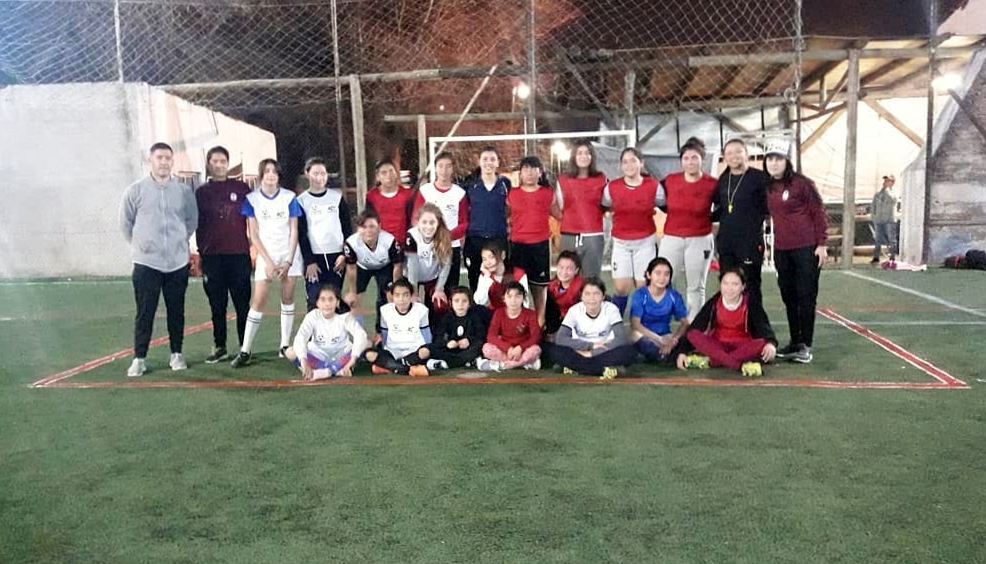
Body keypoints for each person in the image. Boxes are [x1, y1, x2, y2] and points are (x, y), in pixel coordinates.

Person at [119, 142, 198, 377]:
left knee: (177, 311)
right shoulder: (135, 191)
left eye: (167, 158)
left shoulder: (184, 192)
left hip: (177, 263)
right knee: (145, 312)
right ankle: (139, 358)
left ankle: (177, 354)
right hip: (147, 264)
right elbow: (126, 224)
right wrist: (143, 246)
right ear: (150, 161)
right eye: (159, 158)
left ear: (172, 162)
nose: (164, 162)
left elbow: (191, 221)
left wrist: (178, 242)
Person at [231, 159, 304, 368]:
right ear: (261, 174)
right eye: (267, 171)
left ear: (279, 176)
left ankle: (284, 345)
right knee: (258, 301)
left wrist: (288, 260)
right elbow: (253, 235)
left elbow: (294, 231)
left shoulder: (289, 197)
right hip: (266, 257)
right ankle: (245, 350)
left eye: (274, 171)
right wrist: (269, 262)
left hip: (289, 255)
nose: (271, 175)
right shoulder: (252, 199)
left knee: (288, 298)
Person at [764, 142, 828, 364]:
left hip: (806, 248)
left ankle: (806, 345)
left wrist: (822, 243)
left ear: (787, 161)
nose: (774, 163)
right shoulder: (768, 187)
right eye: (770, 158)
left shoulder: (802, 184)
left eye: (778, 159)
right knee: (788, 296)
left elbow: (818, 212)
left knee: (805, 296)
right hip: (782, 250)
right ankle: (795, 342)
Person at [194, 145, 253, 364]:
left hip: (238, 255)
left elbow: (255, 219)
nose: (219, 165)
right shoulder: (201, 192)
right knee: (217, 305)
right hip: (212, 257)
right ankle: (220, 346)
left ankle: (245, 348)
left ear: (228, 164)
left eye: (223, 161)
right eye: (215, 161)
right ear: (208, 164)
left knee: (242, 305)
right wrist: (200, 253)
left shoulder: (242, 188)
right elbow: (197, 223)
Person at [676, 267, 777, 377]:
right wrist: (682, 352)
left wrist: (771, 344)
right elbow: (695, 327)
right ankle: (738, 365)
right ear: (720, 285)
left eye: (735, 284)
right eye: (725, 283)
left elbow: (764, 327)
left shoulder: (751, 303)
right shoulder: (714, 302)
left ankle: (713, 361)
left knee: (761, 343)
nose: (730, 288)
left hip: (742, 346)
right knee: (693, 335)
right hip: (718, 345)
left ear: (743, 287)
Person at [658, 137, 718, 320]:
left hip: (700, 239)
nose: (690, 162)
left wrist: (709, 219)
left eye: (694, 158)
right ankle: (662, 321)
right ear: (681, 161)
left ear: (702, 159)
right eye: (686, 158)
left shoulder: (712, 184)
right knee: (663, 281)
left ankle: (694, 327)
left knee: (696, 286)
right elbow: (660, 201)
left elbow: (723, 206)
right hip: (672, 238)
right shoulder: (670, 181)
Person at [602, 147, 666, 317]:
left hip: (645, 242)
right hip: (621, 243)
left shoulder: (653, 185)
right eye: (625, 162)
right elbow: (605, 205)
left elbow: (663, 204)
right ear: (620, 165)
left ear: (641, 163)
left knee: (644, 287)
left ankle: (643, 324)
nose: (629, 165)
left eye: (633, 160)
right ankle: (616, 323)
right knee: (621, 287)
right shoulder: (612, 187)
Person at [712, 138, 771, 303]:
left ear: (747, 154)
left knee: (751, 285)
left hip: (750, 243)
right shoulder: (723, 180)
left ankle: (754, 319)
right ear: (724, 157)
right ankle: (731, 318)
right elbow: (720, 209)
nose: (734, 156)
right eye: (729, 153)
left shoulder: (760, 178)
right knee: (728, 285)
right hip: (726, 243)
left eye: (738, 151)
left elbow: (769, 207)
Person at [507, 155, 560, 326]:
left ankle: (540, 326)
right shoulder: (512, 194)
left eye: (533, 169)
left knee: (540, 289)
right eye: (526, 169)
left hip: (540, 247)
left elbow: (559, 215)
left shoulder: (547, 193)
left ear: (540, 172)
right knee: (517, 290)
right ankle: (519, 327)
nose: (529, 173)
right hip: (518, 247)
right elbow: (504, 216)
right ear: (520, 173)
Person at [549, 278, 637, 379]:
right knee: (554, 350)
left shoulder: (611, 309)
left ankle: (575, 367)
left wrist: (591, 353)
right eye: (587, 294)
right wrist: (590, 346)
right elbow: (561, 339)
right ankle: (603, 369)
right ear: (581, 296)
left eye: (596, 294)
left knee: (629, 351)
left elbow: (621, 339)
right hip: (580, 349)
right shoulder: (574, 311)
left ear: (603, 296)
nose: (592, 298)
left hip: (603, 351)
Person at [297, 157, 353, 311]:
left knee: (334, 300)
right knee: (315, 300)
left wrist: (344, 254)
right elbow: (301, 234)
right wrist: (309, 261)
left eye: (323, 173)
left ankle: (339, 327)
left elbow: (347, 228)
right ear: (307, 174)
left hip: (337, 258)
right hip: (315, 259)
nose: (320, 177)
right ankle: (313, 328)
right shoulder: (301, 201)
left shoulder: (337, 197)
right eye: (315, 173)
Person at [342, 209, 405, 337]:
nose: (368, 230)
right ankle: (359, 337)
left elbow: (397, 265)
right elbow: (351, 268)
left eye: (372, 226)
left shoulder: (389, 241)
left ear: (379, 227)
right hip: (362, 267)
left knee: (391, 298)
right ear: (358, 228)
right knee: (354, 301)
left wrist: (395, 288)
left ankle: (385, 334)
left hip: (384, 266)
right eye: (364, 227)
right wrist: (352, 291)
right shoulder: (351, 243)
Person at [284, 284, 367, 380]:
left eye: (331, 300)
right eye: (323, 300)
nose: (327, 304)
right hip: (318, 355)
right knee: (290, 352)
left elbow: (360, 335)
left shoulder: (345, 317)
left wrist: (351, 361)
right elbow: (301, 338)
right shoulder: (312, 316)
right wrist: (303, 361)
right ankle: (336, 370)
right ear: (317, 303)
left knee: (366, 344)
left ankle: (327, 371)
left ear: (337, 302)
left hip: (341, 356)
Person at [412, 151, 468, 290]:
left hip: (451, 246)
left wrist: (446, 237)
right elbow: (416, 219)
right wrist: (430, 236)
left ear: (453, 169)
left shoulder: (459, 193)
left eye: (448, 166)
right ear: (435, 168)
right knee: (430, 290)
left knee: (451, 289)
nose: (444, 170)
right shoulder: (425, 191)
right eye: (441, 166)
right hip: (428, 247)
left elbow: (464, 223)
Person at [555, 140, 608, 279]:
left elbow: (606, 205)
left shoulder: (601, 178)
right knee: (568, 279)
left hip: (593, 236)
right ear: (573, 156)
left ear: (592, 156)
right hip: (569, 235)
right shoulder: (563, 179)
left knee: (591, 279)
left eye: (587, 153)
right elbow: (559, 206)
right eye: (579, 153)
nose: (583, 156)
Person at [463, 146, 511, 291]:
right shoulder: (470, 184)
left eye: (492, 159)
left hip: (498, 238)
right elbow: (463, 210)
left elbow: (509, 207)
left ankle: (498, 305)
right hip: (475, 238)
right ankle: (476, 304)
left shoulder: (505, 184)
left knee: (499, 279)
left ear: (497, 163)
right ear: (479, 162)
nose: (488, 163)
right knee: (475, 278)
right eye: (485, 159)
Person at [363, 277, 432, 376]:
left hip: (414, 350)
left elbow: (427, 336)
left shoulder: (421, 310)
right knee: (369, 354)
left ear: (411, 296)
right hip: (392, 350)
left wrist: (427, 349)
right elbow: (385, 334)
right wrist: (382, 347)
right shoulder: (385, 310)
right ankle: (407, 369)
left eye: (405, 295)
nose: (401, 299)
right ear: (392, 296)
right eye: (397, 295)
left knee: (425, 352)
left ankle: (390, 367)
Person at [630, 257, 689, 362]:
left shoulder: (674, 295)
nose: (662, 278)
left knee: (688, 336)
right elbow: (635, 324)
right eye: (658, 273)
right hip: (646, 335)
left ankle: (662, 354)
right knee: (634, 335)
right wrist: (658, 339)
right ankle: (663, 355)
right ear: (649, 275)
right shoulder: (640, 294)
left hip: (666, 335)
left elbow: (685, 322)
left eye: (666, 274)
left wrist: (673, 341)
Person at [405, 203, 453, 327]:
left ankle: (436, 332)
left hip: (432, 276)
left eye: (432, 223)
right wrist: (413, 292)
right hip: (411, 277)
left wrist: (439, 289)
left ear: (438, 223)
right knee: (408, 304)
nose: (428, 227)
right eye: (424, 222)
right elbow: (412, 267)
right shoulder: (412, 236)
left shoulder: (444, 236)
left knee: (439, 305)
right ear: (417, 222)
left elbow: (446, 265)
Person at [479, 282, 542, 371]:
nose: (513, 300)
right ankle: (522, 364)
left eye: (517, 296)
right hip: (505, 350)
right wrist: (508, 348)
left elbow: (536, 336)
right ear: (504, 298)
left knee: (535, 350)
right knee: (486, 348)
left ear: (523, 298)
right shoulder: (499, 313)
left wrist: (520, 348)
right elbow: (491, 336)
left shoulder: (530, 314)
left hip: (523, 350)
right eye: (509, 296)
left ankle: (504, 365)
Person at [424, 286, 490, 370]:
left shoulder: (475, 317)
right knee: (432, 348)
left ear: (470, 303)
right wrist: (447, 343)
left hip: (468, 349)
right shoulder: (446, 318)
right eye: (456, 301)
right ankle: (467, 361)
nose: (460, 304)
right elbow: (438, 337)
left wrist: (469, 340)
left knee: (479, 346)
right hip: (450, 349)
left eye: (464, 301)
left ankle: (447, 363)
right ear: (450, 303)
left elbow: (480, 335)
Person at [365, 159, 415, 245]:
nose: (389, 176)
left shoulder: (407, 195)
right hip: (380, 244)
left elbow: (412, 221)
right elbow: (369, 221)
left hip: (403, 243)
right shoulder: (371, 196)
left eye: (391, 171)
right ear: (377, 177)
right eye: (384, 173)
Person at [473, 239, 529, 311]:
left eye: (491, 257)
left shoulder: (518, 274)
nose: (488, 262)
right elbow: (479, 301)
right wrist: (487, 277)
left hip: (515, 313)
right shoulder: (485, 276)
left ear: (503, 255)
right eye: (484, 259)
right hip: (494, 314)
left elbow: (525, 302)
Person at [543, 250, 585, 340]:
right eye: (561, 267)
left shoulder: (583, 288)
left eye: (569, 269)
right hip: (558, 321)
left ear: (576, 270)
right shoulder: (551, 286)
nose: (564, 272)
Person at [871, 174, 898, 264]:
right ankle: (876, 257)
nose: (885, 182)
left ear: (892, 182)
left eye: (887, 181)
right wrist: (873, 216)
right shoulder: (878, 193)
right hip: (879, 219)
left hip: (889, 220)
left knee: (891, 239)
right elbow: (873, 205)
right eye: (885, 180)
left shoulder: (894, 192)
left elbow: (892, 200)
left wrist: (886, 190)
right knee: (877, 239)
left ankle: (892, 257)